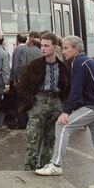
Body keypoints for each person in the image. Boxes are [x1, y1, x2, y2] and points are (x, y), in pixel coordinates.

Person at [35, 36, 94, 188]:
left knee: (62, 124)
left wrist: (66, 111)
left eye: (66, 48)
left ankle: (56, 165)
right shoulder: (89, 61)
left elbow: (76, 90)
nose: (63, 51)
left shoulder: (79, 63)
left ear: (76, 49)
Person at [17, 32, 70, 171]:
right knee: (33, 135)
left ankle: (47, 165)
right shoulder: (35, 65)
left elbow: (67, 86)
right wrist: (31, 100)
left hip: (56, 101)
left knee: (51, 136)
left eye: (46, 46)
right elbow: (22, 85)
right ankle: (30, 166)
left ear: (54, 47)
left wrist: (63, 103)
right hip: (39, 100)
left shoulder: (62, 67)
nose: (43, 48)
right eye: (42, 45)